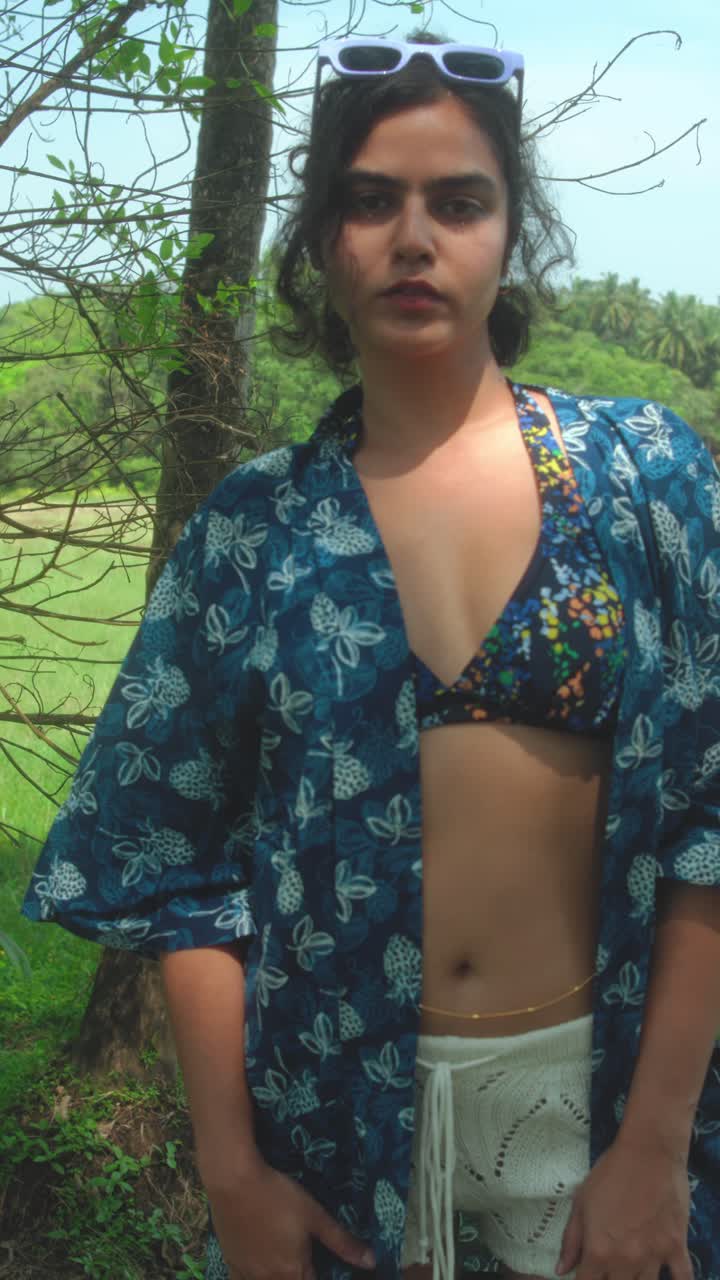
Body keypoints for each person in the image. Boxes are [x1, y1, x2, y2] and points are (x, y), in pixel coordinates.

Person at [19, 30, 720, 1280]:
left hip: (600, 1116)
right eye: (370, 200)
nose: (414, 238)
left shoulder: (641, 480)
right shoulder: (255, 528)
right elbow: (178, 863)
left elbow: (713, 818)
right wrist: (234, 1173)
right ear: (322, 241)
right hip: (333, 1136)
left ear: (511, 232)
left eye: (458, 202)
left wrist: (657, 1140)